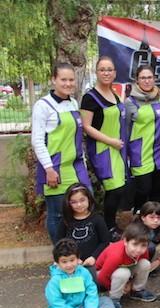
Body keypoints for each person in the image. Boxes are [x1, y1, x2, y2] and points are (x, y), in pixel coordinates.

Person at [31, 62, 90, 244]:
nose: (68, 84)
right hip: (55, 168)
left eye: (71, 80)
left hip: (77, 166)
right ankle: (60, 252)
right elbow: (37, 140)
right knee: (57, 214)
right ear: (53, 80)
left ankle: (77, 249)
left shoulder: (73, 102)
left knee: (83, 207)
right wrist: (49, 169)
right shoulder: (43, 106)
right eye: (63, 79)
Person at [80, 56, 128, 231]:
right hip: (102, 149)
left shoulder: (114, 94)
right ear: (96, 72)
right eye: (102, 69)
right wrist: (110, 141)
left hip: (117, 148)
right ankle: (109, 227)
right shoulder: (89, 97)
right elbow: (86, 126)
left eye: (109, 69)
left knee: (119, 189)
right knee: (114, 188)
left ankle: (110, 224)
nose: (106, 73)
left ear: (115, 73)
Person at [46, 239, 122, 308]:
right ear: (57, 263)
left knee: (105, 300)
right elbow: (55, 301)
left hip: (83, 305)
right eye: (64, 262)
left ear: (78, 259)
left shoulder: (84, 272)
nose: (69, 265)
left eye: (72, 260)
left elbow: (91, 291)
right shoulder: (55, 280)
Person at [126, 65, 160, 210]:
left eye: (149, 77)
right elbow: (125, 130)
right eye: (143, 78)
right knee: (143, 190)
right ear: (137, 80)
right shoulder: (130, 102)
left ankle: (155, 224)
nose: (146, 81)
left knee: (156, 193)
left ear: (154, 79)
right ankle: (138, 218)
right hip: (141, 153)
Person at [95, 222, 156, 308]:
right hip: (101, 274)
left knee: (145, 264)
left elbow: (141, 266)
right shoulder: (116, 255)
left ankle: (137, 290)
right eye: (135, 244)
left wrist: (130, 284)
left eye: (143, 245)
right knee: (123, 273)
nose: (138, 250)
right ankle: (114, 299)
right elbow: (102, 278)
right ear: (126, 241)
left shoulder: (142, 251)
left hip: (124, 270)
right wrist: (119, 287)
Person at [57, 184, 111, 274]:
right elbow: (59, 242)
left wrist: (94, 257)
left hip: (94, 262)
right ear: (68, 203)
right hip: (71, 264)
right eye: (73, 202)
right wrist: (71, 259)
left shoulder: (97, 219)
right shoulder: (65, 221)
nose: (79, 204)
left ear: (89, 199)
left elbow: (105, 242)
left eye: (82, 200)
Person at [135, 201, 160, 271]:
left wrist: (159, 261)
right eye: (152, 217)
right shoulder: (136, 229)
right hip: (135, 260)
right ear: (143, 217)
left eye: (159, 218)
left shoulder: (159, 228)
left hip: (150, 260)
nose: (156, 220)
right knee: (150, 247)